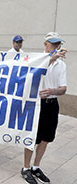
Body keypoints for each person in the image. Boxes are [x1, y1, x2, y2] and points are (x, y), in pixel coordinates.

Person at [21, 32, 67, 184]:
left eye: (57, 44)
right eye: (52, 44)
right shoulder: (38, 60)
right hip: (37, 105)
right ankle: (26, 168)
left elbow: (63, 89)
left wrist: (53, 91)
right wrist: (52, 57)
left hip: (52, 104)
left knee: (46, 139)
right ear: (45, 44)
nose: (55, 47)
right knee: (33, 138)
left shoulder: (61, 64)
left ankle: (36, 166)